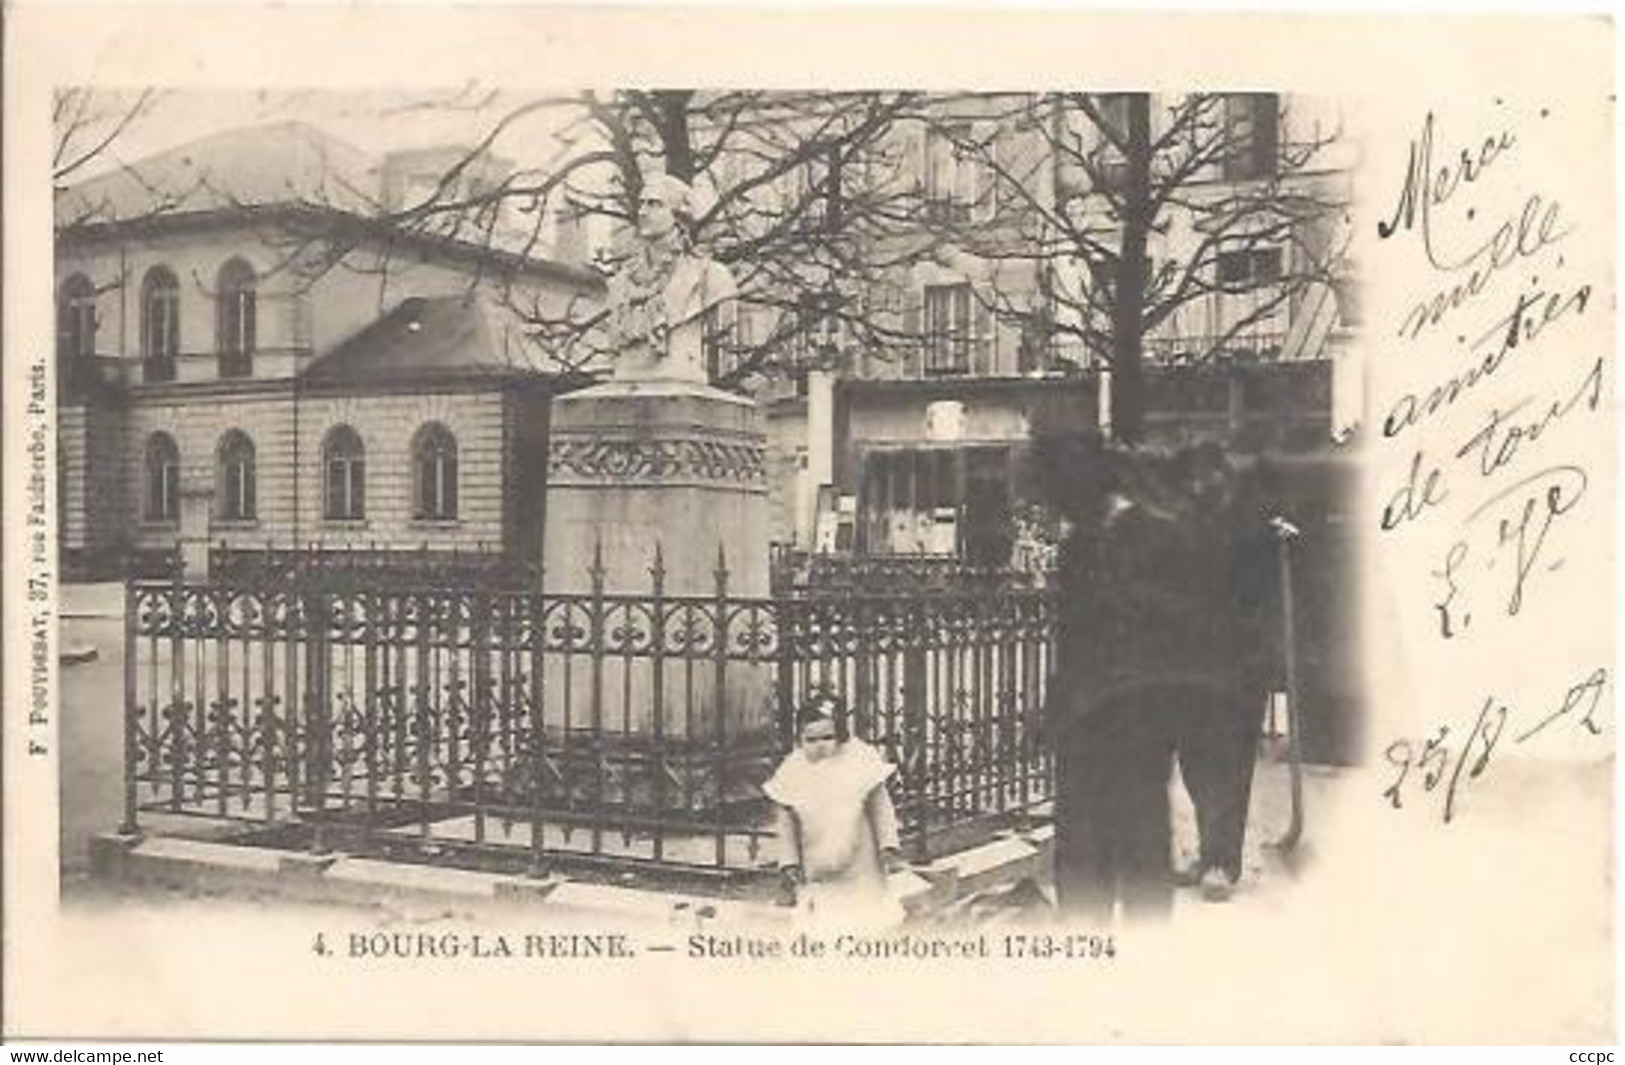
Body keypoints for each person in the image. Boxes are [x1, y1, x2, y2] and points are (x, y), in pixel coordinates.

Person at [764, 695, 906, 928]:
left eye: (828, 737)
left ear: (840, 736)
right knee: (824, 915)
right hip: (816, 862)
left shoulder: (859, 761)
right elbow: (786, 823)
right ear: (799, 740)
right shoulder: (793, 771)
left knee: (866, 912)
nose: (819, 745)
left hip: (861, 860)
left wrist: (888, 845)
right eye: (810, 740)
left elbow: (881, 808)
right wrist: (789, 861)